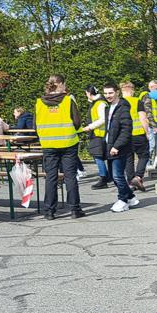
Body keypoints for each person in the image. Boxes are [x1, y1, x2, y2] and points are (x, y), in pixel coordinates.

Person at [34, 74, 85, 220]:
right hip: (68, 143)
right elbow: (77, 122)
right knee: (70, 176)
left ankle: (49, 211)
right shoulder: (68, 100)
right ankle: (75, 209)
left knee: (51, 177)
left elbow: (35, 125)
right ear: (61, 84)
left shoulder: (39, 102)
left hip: (49, 144)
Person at [100, 82, 139, 212]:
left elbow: (126, 130)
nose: (108, 96)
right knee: (113, 175)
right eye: (105, 93)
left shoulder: (123, 107)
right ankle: (131, 197)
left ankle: (123, 200)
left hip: (120, 148)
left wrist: (117, 146)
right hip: (109, 146)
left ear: (117, 92)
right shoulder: (108, 108)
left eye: (110, 93)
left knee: (118, 176)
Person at [121, 81, 150, 192]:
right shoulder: (137, 101)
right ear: (132, 90)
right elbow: (143, 118)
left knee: (129, 159)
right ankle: (138, 177)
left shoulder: (119, 102)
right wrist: (147, 132)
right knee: (144, 155)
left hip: (124, 136)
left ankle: (131, 183)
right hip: (138, 134)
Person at [80, 86, 111, 190]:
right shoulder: (96, 103)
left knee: (98, 156)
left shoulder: (100, 103)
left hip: (99, 134)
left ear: (89, 93)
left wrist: (89, 127)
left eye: (86, 93)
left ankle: (104, 178)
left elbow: (103, 119)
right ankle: (107, 176)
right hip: (97, 133)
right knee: (99, 156)